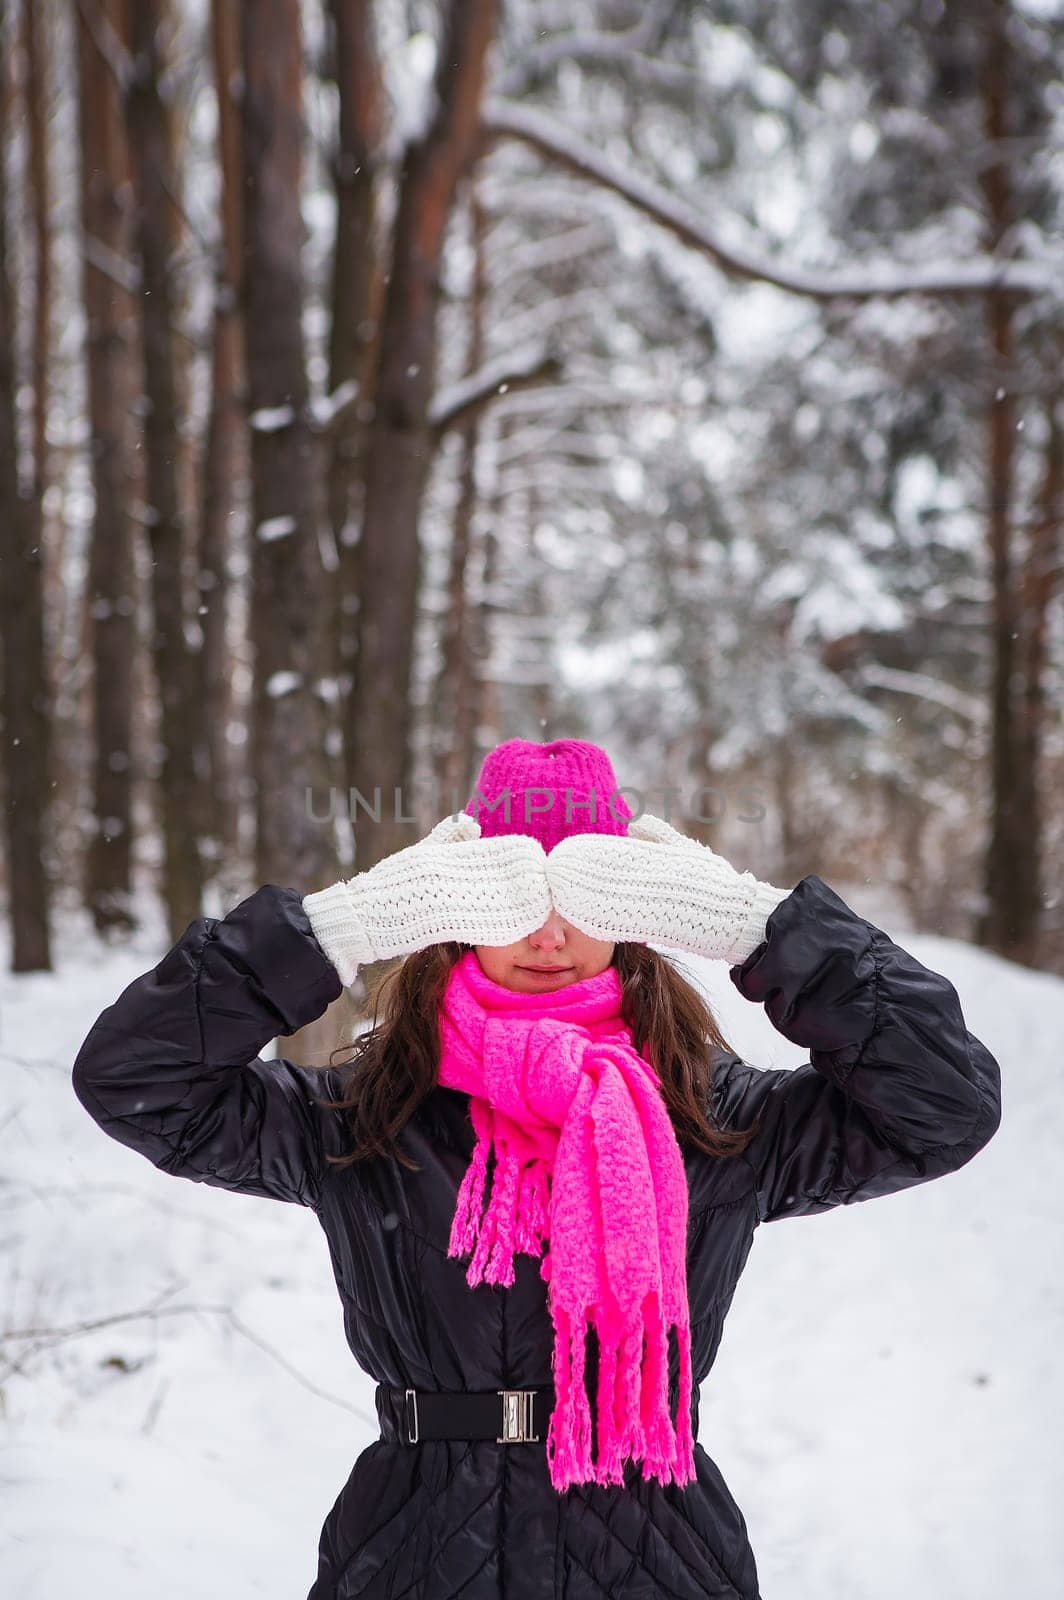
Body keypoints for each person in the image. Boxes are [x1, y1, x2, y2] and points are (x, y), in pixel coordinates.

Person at [71, 736, 1002, 1599]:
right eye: (511, 903)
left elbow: (945, 1106)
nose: (547, 935)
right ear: (452, 911)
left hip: (661, 1553)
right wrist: (333, 928)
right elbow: (134, 1080)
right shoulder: (363, 1113)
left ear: (637, 915)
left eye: (586, 902)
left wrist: (765, 929)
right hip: (414, 1549)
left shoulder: (714, 1116)